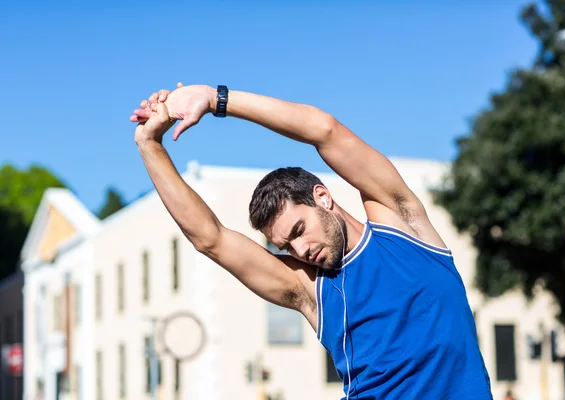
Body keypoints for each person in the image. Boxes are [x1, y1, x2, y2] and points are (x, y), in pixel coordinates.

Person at [130, 83, 492, 399]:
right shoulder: (310, 288)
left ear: (322, 197)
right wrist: (149, 144)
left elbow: (325, 132)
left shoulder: (401, 223)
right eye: (286, 246)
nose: (300, 251)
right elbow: (211, 239)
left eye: (299, 231)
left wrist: (214, 99)